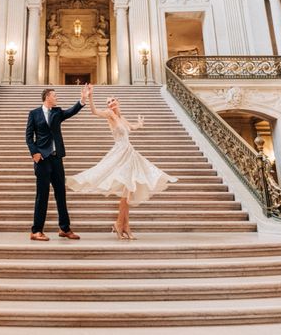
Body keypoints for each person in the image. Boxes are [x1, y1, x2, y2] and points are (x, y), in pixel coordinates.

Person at [67, 85, 177, 239]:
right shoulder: (110, 115)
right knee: (126, 193)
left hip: (129, 154)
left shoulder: (121, 117)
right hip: (119, 155)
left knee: (128, 193)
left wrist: (140, 123)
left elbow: (131, 127)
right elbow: (94, 111)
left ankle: (123, 225)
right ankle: (121, 225)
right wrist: (90, 97)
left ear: (117, 101)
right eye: (108, 102)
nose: (110, 103)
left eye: (112, 100)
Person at [25, 86, 87, 241]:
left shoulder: (57, 112)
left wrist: (83, 99)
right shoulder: (34, 114)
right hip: (43, 160)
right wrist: (35, 153)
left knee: (61, 194)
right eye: (54, 95)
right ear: (47, 97)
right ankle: (36, 230)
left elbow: (71, 111)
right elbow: (28, 136)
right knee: (42, 195)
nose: (56, 97)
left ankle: (64, 228)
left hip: (56, 158)